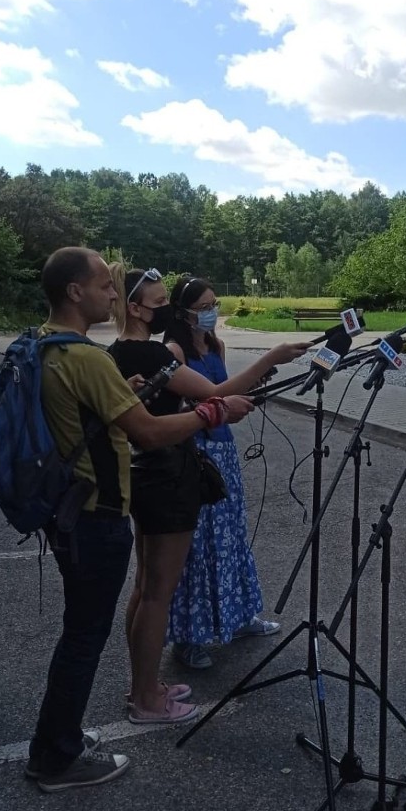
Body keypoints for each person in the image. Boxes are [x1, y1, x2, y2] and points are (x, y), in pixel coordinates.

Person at [27, 248, 253, 793]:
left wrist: (121, 398)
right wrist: (210, 413)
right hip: (95, 509)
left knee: (91, 625)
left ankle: (70, 736)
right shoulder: (87, 358)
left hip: (71, 506)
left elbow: (89, 418)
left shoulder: (45, 345)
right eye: (105, 285)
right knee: (85, 637)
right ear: (75, 292)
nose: (113, 292)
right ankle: (57, 755)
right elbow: (149, 433)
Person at [106, 265, 256, 725]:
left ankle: (144, 684)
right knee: (158, 594)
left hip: (144, 474)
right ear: (134, 308)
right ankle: (148, 701)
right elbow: (215, 393)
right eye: (160, 304)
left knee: (145, 586)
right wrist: (275, 358)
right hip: (167, 475)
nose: (167, 311)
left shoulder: (116, 352)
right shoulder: (149, 357)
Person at [163, 275, 307, 669]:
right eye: (205, 307)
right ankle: (189, 637)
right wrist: (269, 358)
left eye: (215, 304)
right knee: (199, 545)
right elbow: (202, 400)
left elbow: (224, 391)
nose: (213, 312)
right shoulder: (173, 350)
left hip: (223, 449)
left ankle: (238, 616)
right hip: (195, 452)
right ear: (183, 312)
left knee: (231, 536)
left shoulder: (216, 344)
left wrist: (246, 394)